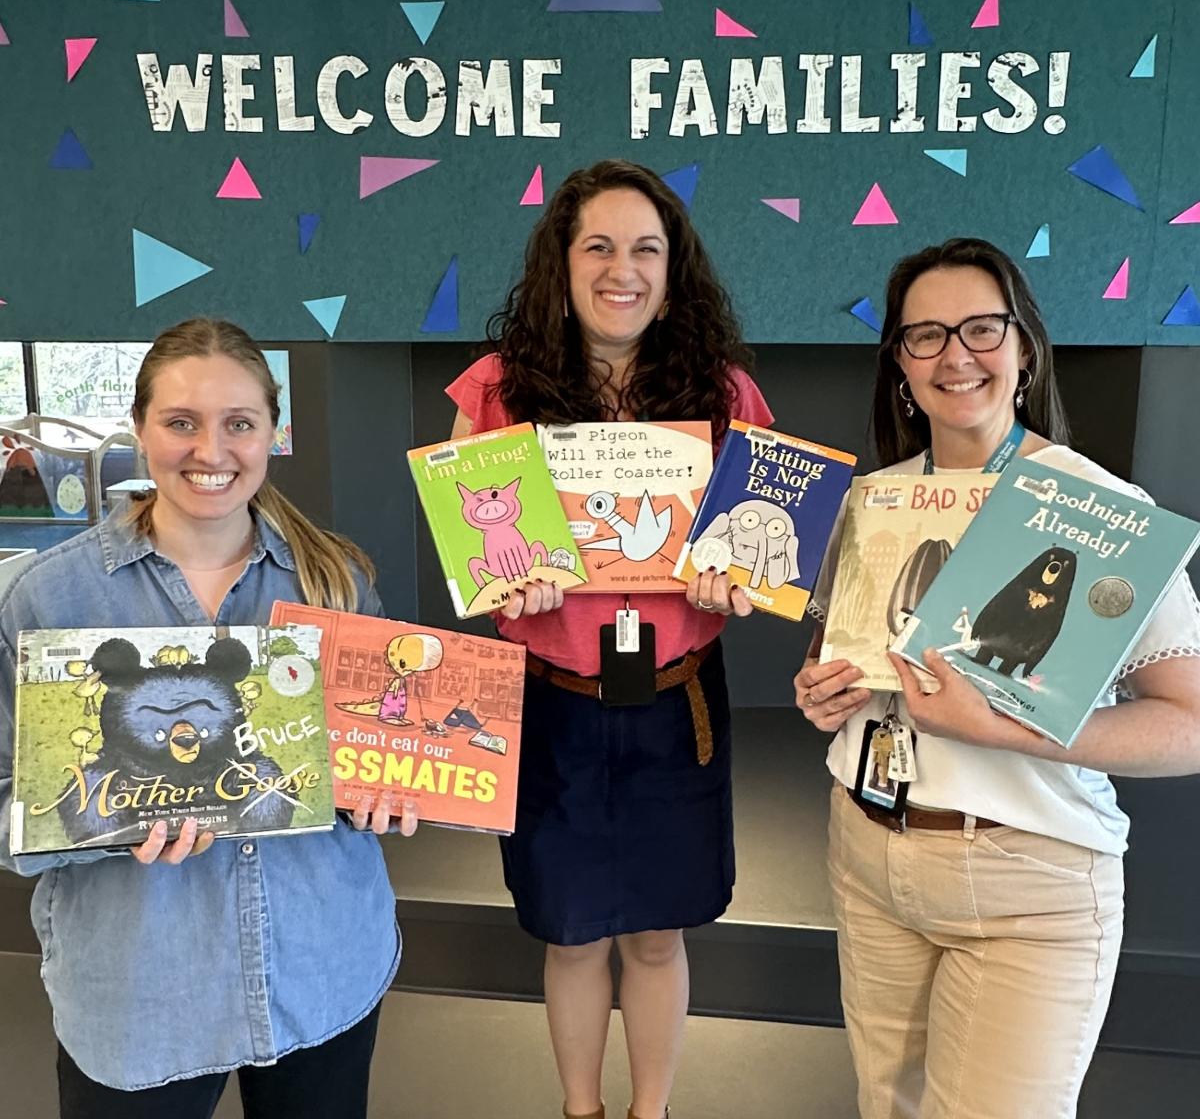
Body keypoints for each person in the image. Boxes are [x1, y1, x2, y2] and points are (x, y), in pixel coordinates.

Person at [794, 238, 1200, 1119]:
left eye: (982, 328)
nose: (955, 355)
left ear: (1023, 349)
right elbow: (864, 671)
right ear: (900, 366)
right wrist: (830, 694)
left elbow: (1190, 725)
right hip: (869, 852)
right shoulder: (876, 502)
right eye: (925, 336)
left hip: (1032, 882)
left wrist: (1004, 727)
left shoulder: (1100, 510)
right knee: (886, 1106)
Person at [0, 318, 413, 1119]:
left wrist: (388, 794)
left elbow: (369, 755)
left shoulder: (334, 581)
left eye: (239, 424)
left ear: (272, 432)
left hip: (321, 972)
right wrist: (100, 827)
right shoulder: (47, 601)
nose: (210, 451)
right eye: (181, 423)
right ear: (139, 428)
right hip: (139, 1004)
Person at [447, 160, 773, 1119]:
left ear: (673, 273)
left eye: (645, 249)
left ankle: (651, 1111)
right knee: (571, 933)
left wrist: (740, 581)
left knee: (661, 934)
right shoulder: (499, 392)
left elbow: (767, 547)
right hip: (552, 700)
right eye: (597, 246)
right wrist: (506, 574)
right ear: (562, 262)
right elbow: (475, 554)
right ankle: (581, 1111)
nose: (620, 269)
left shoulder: (725, 395)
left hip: (680, 702)